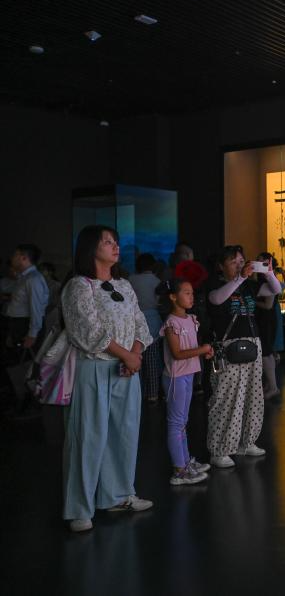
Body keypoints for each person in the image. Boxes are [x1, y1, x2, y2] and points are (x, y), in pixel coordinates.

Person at [62, 225, 154, 533]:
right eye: (107, 242)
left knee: (124, 434)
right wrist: (127, 356)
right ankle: (80, 507)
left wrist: (134, 355)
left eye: (115, 241)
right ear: (91, 248)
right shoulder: (78, 286)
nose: (115, 246)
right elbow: (87, 330)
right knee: (88, 437)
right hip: (95, 367)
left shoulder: (124, 285)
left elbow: (140, 324)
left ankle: (119, 494)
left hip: (127, 369)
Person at [205, 246, 283, 468]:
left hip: (252, 343)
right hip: (228, 345)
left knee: (253, 395)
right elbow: (217, 299)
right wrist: (240, 278)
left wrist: (269, 272)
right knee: (226, 398)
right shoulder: (215, 285)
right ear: (221, 266)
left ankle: (246, 442)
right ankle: (220, 449)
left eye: (241, 261)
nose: (240, 265)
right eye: (233, 262)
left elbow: (276, 289)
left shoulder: (249, 285)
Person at [158, 278, 212, 486]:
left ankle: (185, 462)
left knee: (182, 421)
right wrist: (202, 349)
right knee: (176, 422)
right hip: (176, 377)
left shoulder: (190, 319)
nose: (191, 297)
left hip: (187, 374)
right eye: (186, 293)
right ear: (173, 297)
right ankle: (179, 470)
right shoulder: (171, 323)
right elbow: (178, 353)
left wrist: (203, 351)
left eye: (192, 293)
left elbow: (190, 348)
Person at [5, 244, 50, 411]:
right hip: (19, 325)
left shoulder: (33, 279)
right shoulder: (24, 277)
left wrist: (32, 334)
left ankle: (28, 403)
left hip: (26, 326)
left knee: (25, 366)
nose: (12, 258)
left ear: (24, 258)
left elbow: (36, 309)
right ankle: (21, 399)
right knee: (17, 364)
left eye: (15, 255)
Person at [130, 253, 163, 402]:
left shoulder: (131, 280)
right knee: (152, 360)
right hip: (153, 319)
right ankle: (153, 394)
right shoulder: (157, 281)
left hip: (135, 320)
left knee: (137, 357)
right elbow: (159, 301)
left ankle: (139, 393)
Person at [254, 252, 281, 399]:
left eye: (261, 261)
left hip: (266, 320)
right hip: (264, 319)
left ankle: (273, 386)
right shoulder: (262, 279)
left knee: (266, 353)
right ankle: (270, 385)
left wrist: (250, 300)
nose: (257, 264)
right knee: (266, 353)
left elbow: (268, 305)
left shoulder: (269, 279)